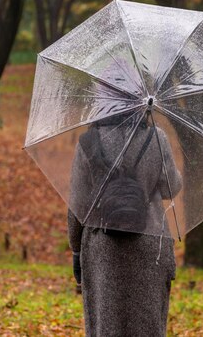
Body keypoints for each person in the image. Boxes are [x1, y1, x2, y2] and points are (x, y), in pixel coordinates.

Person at [67, 112, 182, 336]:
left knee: (106, 327)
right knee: (148, 327)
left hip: (103, 250)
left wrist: (76, 249)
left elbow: (77, 205)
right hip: (150, 246)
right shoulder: (157, 138)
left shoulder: (88, 143)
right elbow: (172, 187)